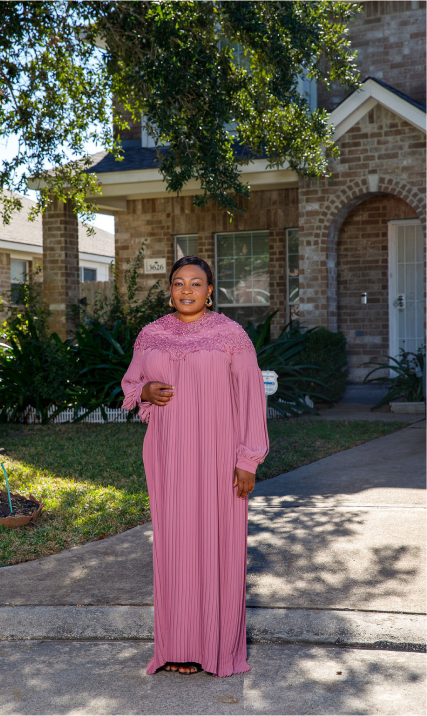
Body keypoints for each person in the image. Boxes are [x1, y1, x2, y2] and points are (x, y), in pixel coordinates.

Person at [122, 256, 269, 677]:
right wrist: (146, 389)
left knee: (218, 547)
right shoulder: (151, 335)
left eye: (196, 283)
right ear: (170, 290)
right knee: (174, 549)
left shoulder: (231, 335)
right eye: (178, 283)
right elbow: (131, 384)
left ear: (209, 291)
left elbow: (251, 398)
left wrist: (248, 460)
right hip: (167, 455)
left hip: (221, 458)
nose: (186, 290)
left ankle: (217, 649)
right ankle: (178, 647)